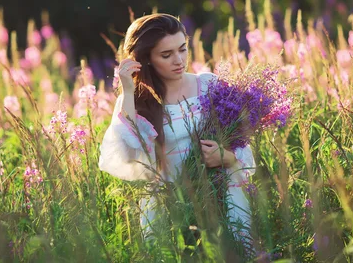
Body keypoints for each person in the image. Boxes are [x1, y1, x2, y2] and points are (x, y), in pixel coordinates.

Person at [98, 13, 255, 247]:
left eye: (182, 49)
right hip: (168, 205)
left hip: (222, 196)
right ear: (147, 58)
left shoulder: (209, 85)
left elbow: (242, 144)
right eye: (166, 55)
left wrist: (226, 157)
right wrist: (128, 91)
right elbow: (129, 153)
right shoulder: (137, 101)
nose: (179, 60)